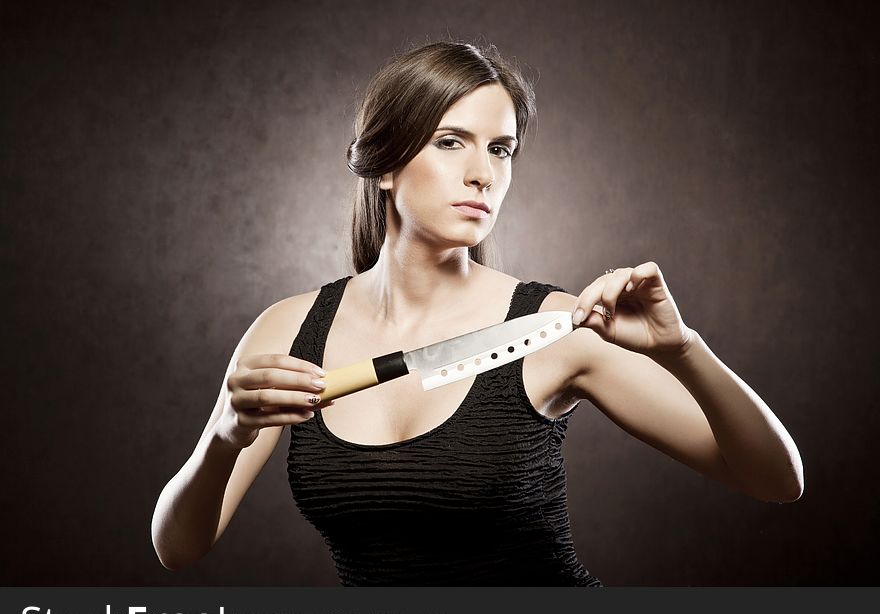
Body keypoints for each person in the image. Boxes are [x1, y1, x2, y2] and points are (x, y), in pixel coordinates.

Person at [151, 41, 804, 586]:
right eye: (451, 141)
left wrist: (683, 349)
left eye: (500, 149)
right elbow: (176, 548)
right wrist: (225, 436)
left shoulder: (558, 325)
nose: (483, 174)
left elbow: (776, 480)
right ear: (383, 163)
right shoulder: (287, 330)